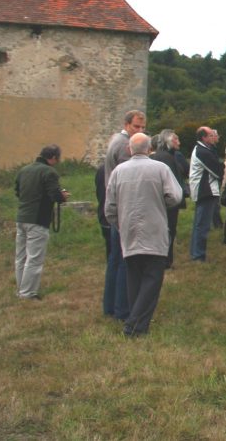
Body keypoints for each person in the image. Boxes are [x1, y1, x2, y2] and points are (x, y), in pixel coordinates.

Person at [105, 133, 183, 337]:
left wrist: (120, 224)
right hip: (154, 229)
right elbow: (175, 196)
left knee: (134, 276)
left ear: (130, 150)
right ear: (150, 150)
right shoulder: (160, 169)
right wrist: (160, 203)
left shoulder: (118, 172)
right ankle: (134, 324)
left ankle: (137, 322)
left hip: (129, 230)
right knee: (152, 278)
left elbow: (110, 207)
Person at [103, 109, 146, 321]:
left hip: (116, 208)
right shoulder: (123, 145)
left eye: (142, 127)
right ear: (127, 124)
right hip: (123, 209)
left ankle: (110, 306)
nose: (139, 131)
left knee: (115, 260)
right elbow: (130, 176)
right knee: (123, 261)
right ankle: (122, 309)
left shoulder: (116, 139)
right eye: (136, 127)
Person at [14, 144, 69, 300]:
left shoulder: (23, 170)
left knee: (21, 257)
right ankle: (28, 293)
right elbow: (55, 195)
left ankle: (20, 289)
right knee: (34, 258)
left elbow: (18, 192)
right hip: (38, 219)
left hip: (22, 217)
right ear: (53, 158)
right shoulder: (49, 172)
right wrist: (62, 196)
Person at [150, 129, 189, 269]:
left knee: (168, 231)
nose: (179, 142)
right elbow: (170, 182)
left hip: (164, 202)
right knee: (168, 231)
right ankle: (165, 261)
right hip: (167, 203)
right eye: (176, 139)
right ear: (168, 141)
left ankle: (165, 260)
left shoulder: (165, 156)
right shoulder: (165, 157)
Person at [188, 126, 224, 262]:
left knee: (200, 223)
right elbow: (218, 171)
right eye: (210, 135)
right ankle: (198, 255)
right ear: (203, 137)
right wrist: (221, 167)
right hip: (205, 190)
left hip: (204, 190)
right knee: (202, 224)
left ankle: (196, 252)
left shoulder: (204, 150)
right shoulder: (203, 152)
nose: (213, 137)